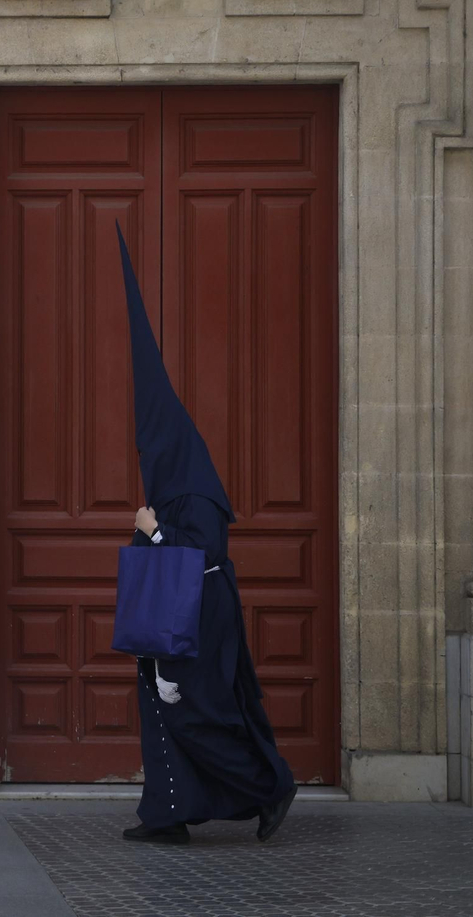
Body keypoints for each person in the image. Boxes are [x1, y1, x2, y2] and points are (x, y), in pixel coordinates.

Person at [115, 225, 297, 846]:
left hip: (200, 616)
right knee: (160, 710)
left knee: (192, 713)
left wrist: (155, 530)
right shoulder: (177, 483)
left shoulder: (192, 491)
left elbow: (202, 553)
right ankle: (168, 815)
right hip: (178, 616)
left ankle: (268, 788)